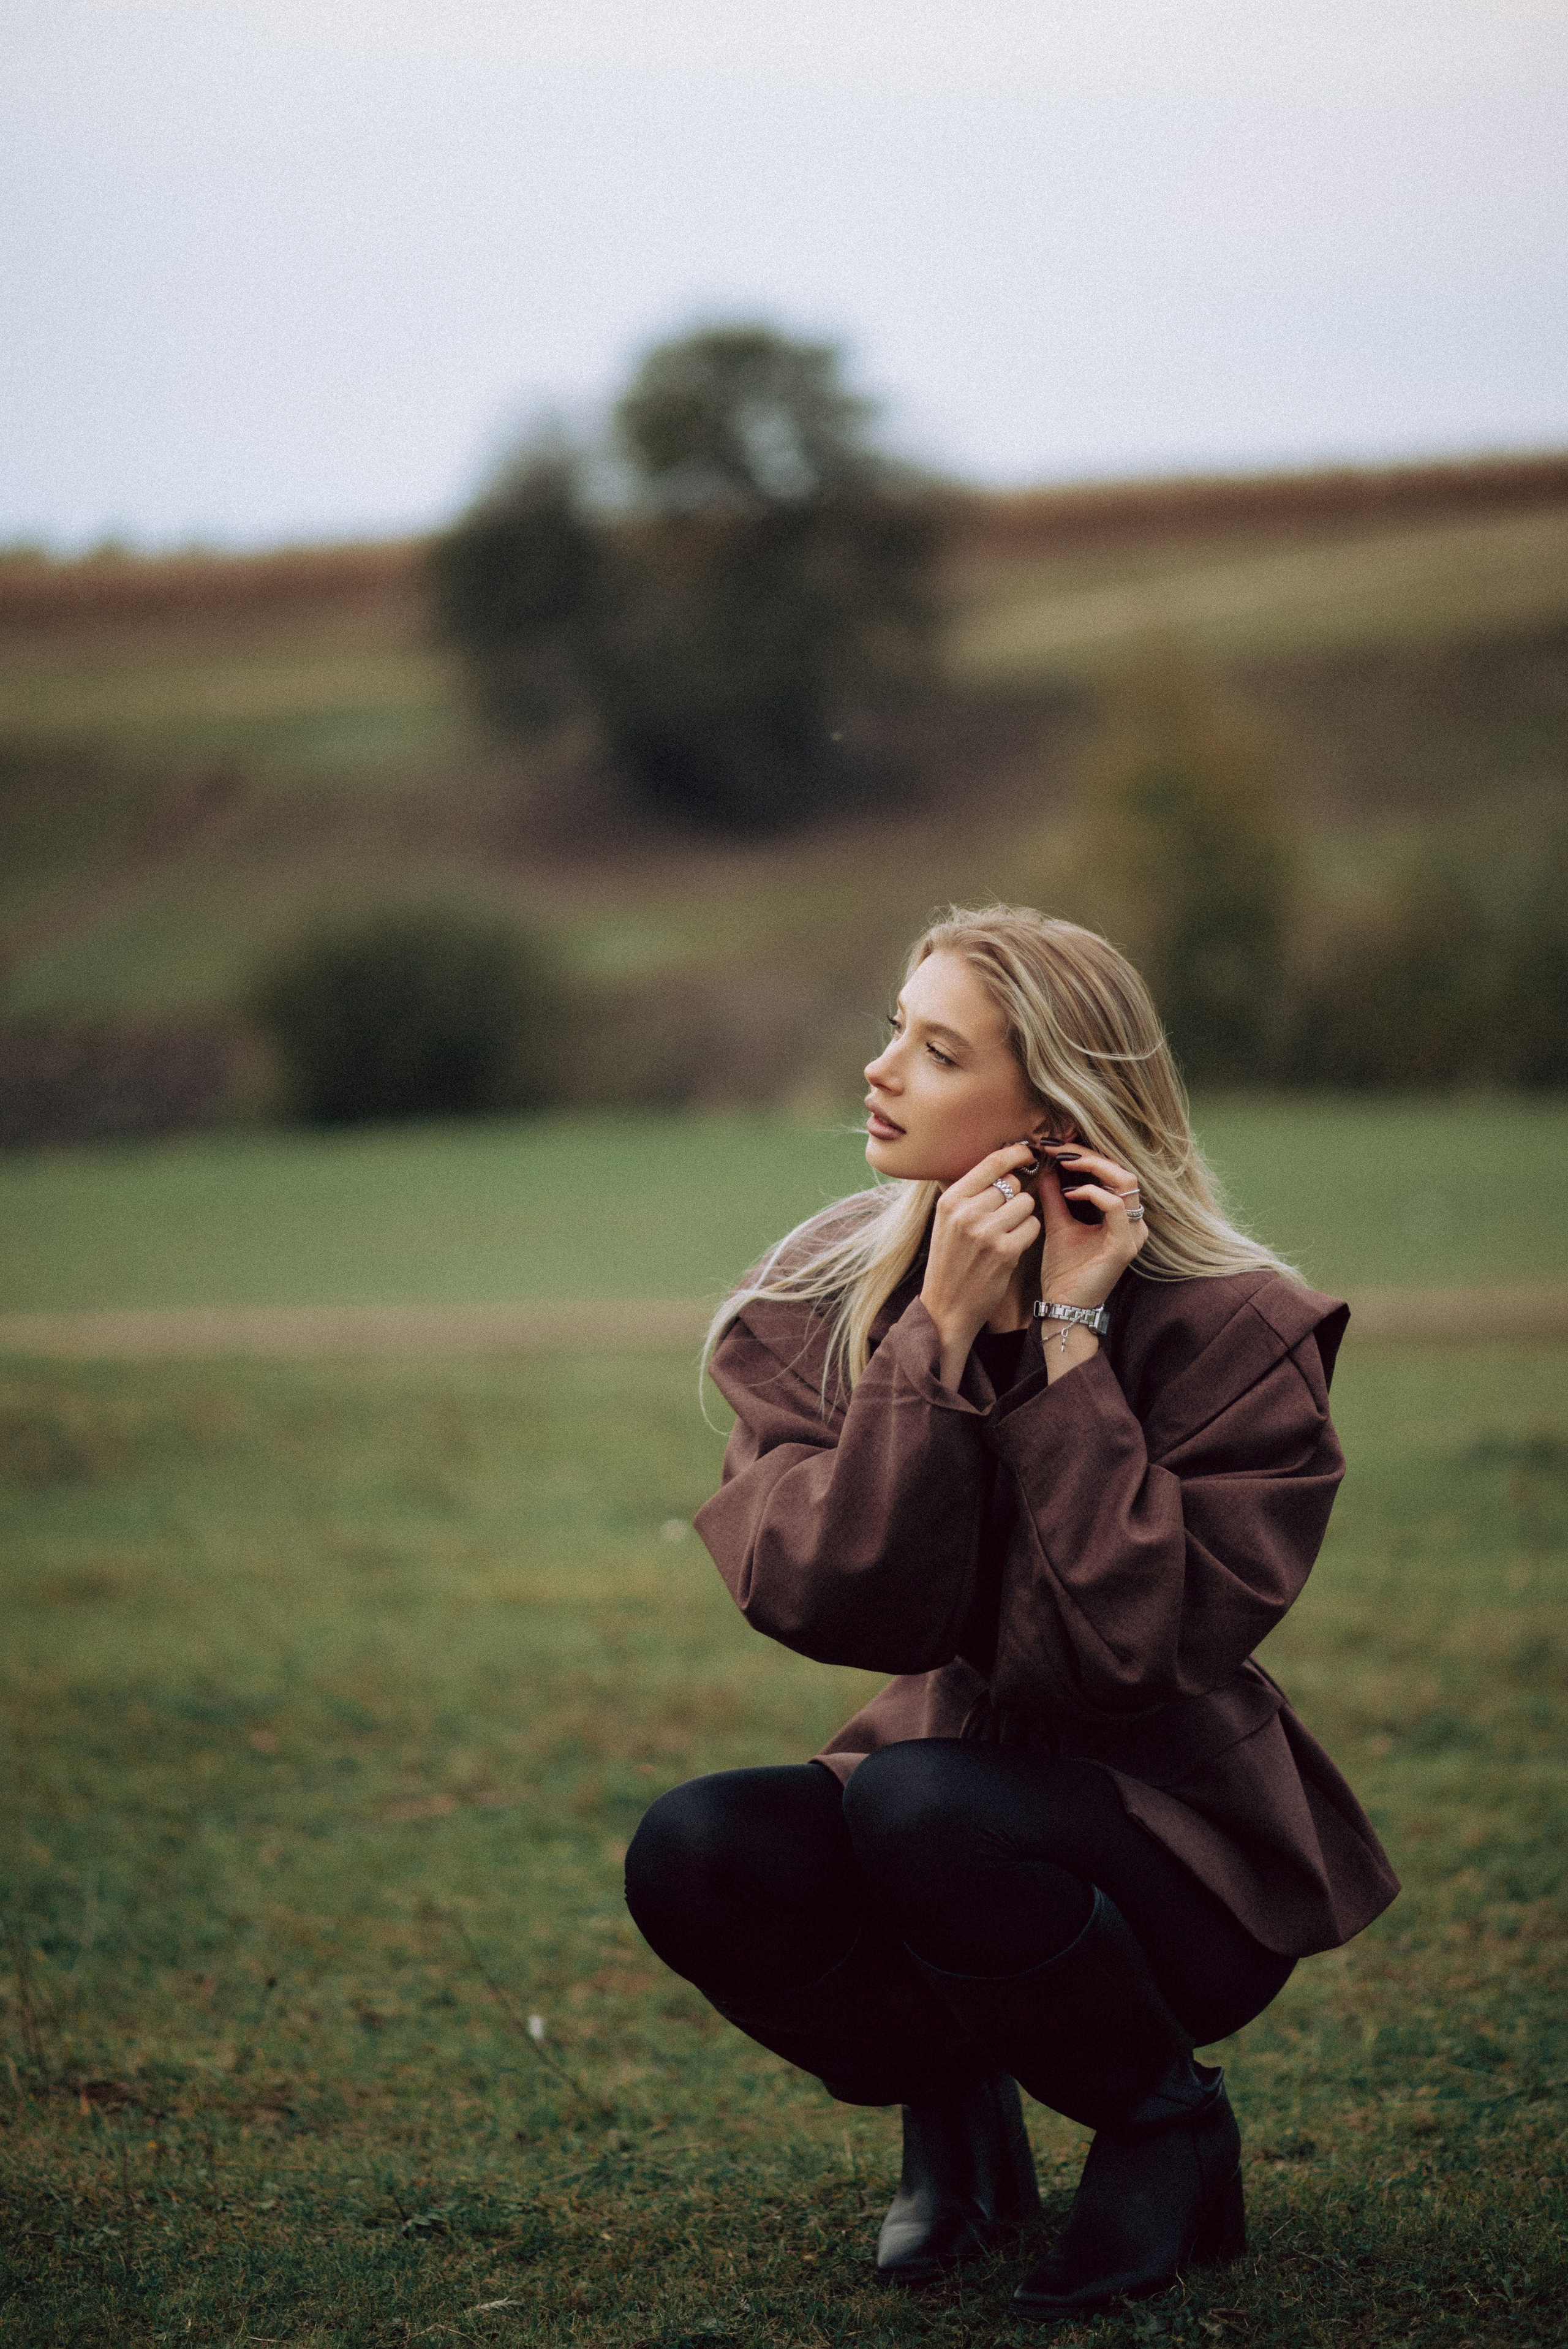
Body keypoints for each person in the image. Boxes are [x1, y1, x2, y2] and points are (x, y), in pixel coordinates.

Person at [625, 905, 1398, 2321]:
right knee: (696, 1846)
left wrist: (1067, 1344)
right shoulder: (825, 1294)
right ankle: (954, 2106)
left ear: (1050, 1106)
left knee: (926, 1803)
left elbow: (1130, 1643)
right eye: (891, 1031)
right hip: (924, 1803)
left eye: (933, 1050)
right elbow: (823, 1592)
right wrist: (928, 1339)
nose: (879, 1071)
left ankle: (1163, 2119)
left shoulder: (1237, 1329)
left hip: (1177, 1856)